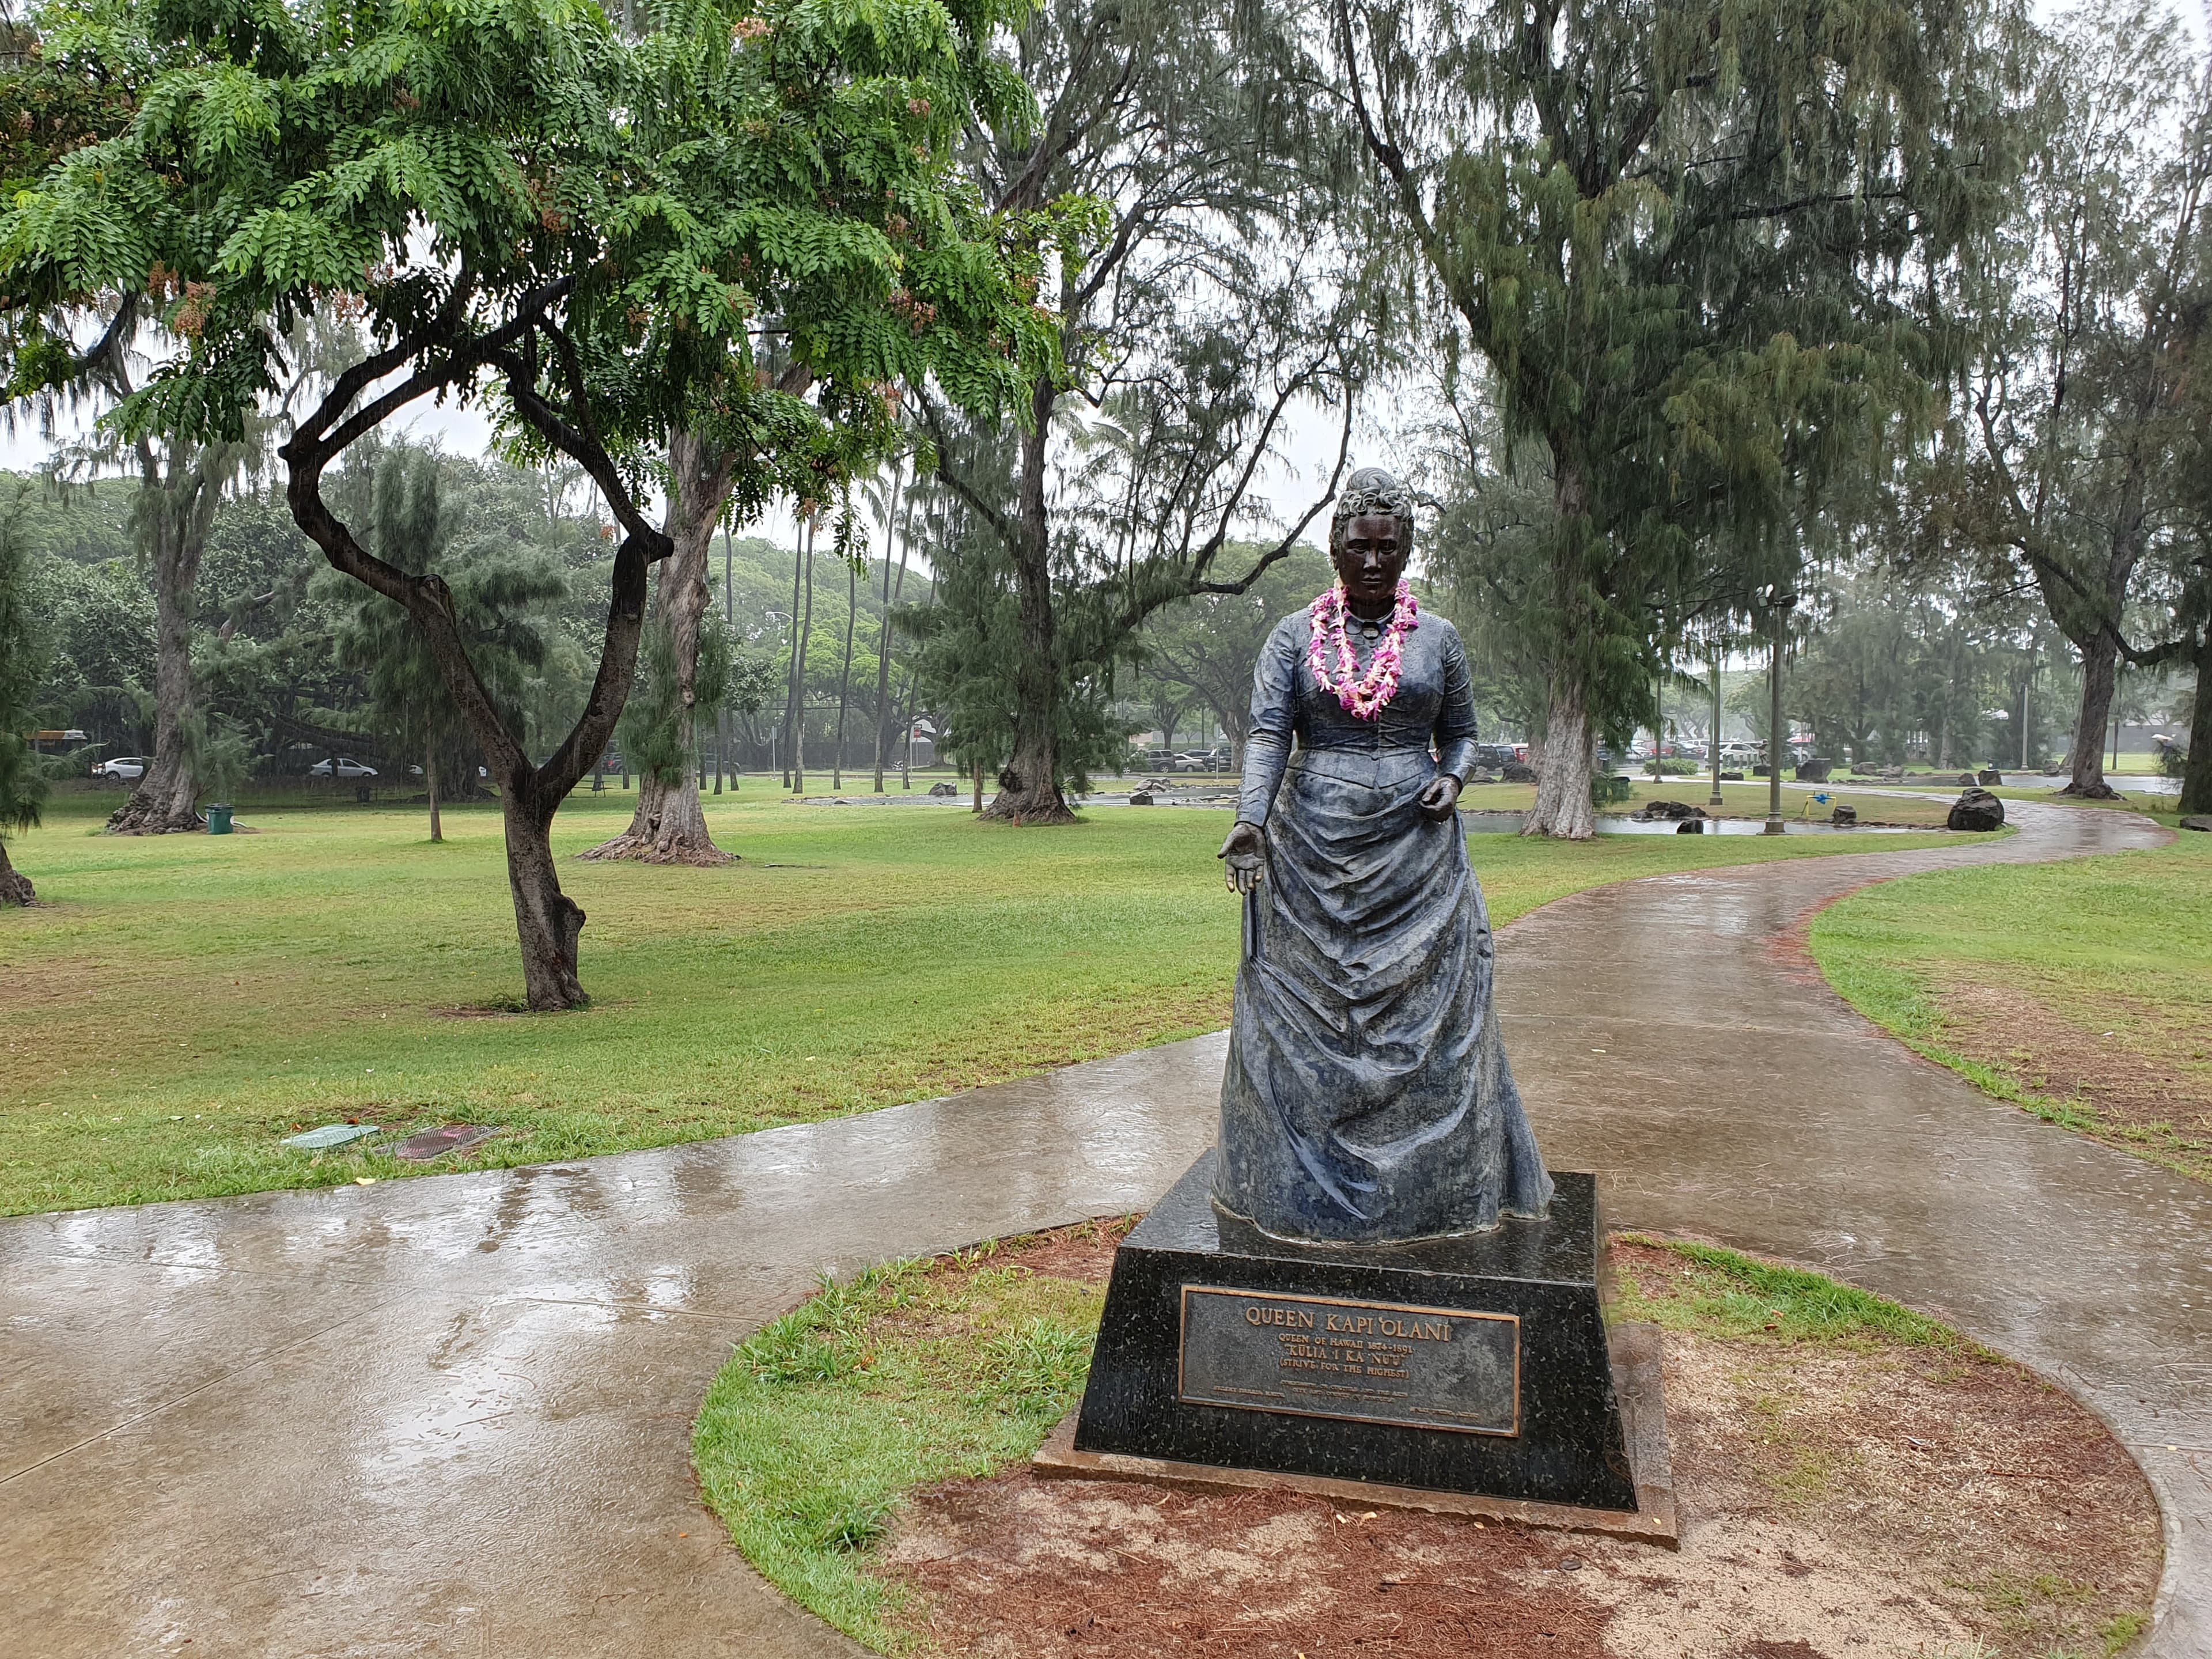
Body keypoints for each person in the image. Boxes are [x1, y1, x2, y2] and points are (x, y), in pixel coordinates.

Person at [1213, 468, 1552, 1243]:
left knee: (1436, 1028)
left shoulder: (1438, 639)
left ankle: (1430, 1196)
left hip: (1417, 852)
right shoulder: (1293, 638)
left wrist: (1456, 776)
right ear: (1336, 546)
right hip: (1310, 853)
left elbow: (1461, 731)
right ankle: (1297, 1190)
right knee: (1309, 1030)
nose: (1373, 563)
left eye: (1388, 549)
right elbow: (1270, 734)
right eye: (1360, 547)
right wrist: (1249, 821)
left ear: (1405, 552)